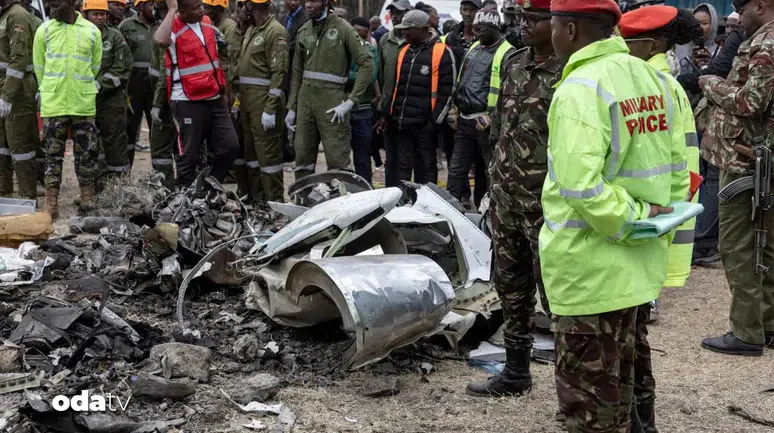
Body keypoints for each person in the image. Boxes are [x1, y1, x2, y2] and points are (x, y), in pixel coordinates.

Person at [543, 1, 688, 432]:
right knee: (622, 382)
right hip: (636, 266)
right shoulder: (653, 79)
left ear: (569, 30)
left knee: (591, 405)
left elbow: (582, 187)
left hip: (590, 269)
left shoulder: (580, 87)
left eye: (551, 25)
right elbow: (678, 169)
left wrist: (634, 219)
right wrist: (654, 222)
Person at [466, 0, 559, 398]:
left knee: (556, 292)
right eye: (522, 18)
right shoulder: (514, 62)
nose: (525, 26)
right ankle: (516, 370)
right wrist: (493, 179)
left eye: (535, 19)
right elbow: (501, 126)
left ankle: (573, 386)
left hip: (547, 203)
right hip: (507, 196)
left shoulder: (569, 70)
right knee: (511, 286)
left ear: (557, 24)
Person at [619, 6, 702, 431]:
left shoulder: (650, 84)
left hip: (639, 221)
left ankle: (637, 419)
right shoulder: (664, 82)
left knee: (626, 335)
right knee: (634, 333)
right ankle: (643, 419)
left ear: (649, 44)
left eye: (624, 40)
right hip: (655, 217)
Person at [699, 0, 774, 357]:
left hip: (747, 162)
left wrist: (710, 83)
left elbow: (751, 102)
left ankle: (746, 332)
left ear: (760, 5)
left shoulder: (766, 43)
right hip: (756, 159)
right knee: (765, 246)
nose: (738, 17)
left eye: (741, 9)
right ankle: (767, 324)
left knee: (739, 246)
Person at [283, 0, 373, 180]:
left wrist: (350, 101)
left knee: (338, 161)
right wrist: (292, 107)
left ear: (326, 3)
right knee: (302, 160)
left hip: (332, 102)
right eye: (306, 1)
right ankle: (304, 202)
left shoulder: (344, 29)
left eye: (314, 1)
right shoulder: (304, 30)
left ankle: (341, 205)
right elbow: (296, 72)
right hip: (305, 102)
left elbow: (367, 64)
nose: (308, 5)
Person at [154, 0, 239, 187]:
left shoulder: (207, 23)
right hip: (186, 100)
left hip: (214, 98)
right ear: (182, 12)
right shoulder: (173, 27)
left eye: (201, 5)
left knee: (230, 146)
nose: (202, 10)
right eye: (196, 8)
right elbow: (160, 40)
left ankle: (208, 189)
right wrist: (172, 10)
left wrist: (225, 93)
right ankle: (185, 197)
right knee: (189, 155)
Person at [33, 0, 102, 218]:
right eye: (49, 5)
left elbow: (95, 67)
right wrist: (51, 90)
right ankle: (51, 204)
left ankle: (87, 199)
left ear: (72, 3)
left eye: (56, 5)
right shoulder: (44, 31)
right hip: (54, 102)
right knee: (52, 155)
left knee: (86, 153)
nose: (52, 9)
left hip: (82, 102)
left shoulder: (91, 31)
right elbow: (39, 68)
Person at [447, 10, 514, 208]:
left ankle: (489, 211)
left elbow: (509, 92)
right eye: (474, 29)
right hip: (465, 120)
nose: (476, 33)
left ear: (494, 27)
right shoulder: (475, 47)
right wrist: (454, 109)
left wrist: (492, 117)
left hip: (487, 124)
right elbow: (461, 80)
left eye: (481, 29)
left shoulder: (507, 53)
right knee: (456, 169)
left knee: (491, 170)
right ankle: (449, 209)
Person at [380, 10, 454, 184]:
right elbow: (398, 86)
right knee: (403, 169)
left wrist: (434, 122)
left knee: (426, 169)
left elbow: (448, 91)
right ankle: (403, 205)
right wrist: (389, 113)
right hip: (403, 124)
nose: (403, 32)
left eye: (408, 29)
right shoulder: (404, 51)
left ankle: (425, 206)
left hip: (426, 127)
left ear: (422, 29)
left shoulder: (441, 52)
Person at [236, 0, 288, 202]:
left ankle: (274, 204)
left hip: (263, 103)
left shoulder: (276, 32)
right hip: (248, 103)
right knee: (252, 158)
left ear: (252, 6)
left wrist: (270, 107)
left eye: (244, 5)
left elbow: (279, 73)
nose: (241, 10)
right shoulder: (252, 30)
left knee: (268, 158)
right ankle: (259, 203)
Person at [83, 0, 133, 185]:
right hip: (85, 100)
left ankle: (119, 187)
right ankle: (94, 187)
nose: (99, 17)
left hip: (111, 101)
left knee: (115, 143)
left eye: (102, 14)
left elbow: (124, 67)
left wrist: (100, 84)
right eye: (95, 14)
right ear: (85, 14)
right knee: (90, 145)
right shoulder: (78, 36)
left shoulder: (115, 37)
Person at [0, 0, 38, 201]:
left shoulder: (17, 16)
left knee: (20, 146)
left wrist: (7, 96)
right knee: (2, 145)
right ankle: (4, 193)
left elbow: (18, 59)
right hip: (4, 86)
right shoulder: (4, 15)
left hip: (18, 89)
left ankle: (27, 197)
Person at [377, 0, 410, 188]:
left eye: (400, 13)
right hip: (389, 110)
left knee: (409, 158)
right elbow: (381, 76)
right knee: (391, 158)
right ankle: (390, 194)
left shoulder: (414, 40)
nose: (396, 16)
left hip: (410, 109)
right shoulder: (384, 40)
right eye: (393, 12)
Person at [120, 0, 155, 161]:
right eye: (151, 5)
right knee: (130, 127)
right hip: (134, 82)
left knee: (157, 126)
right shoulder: (126, 26)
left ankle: (160, 175)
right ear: (141, 6)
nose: (154, 9)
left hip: (156, 83)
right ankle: (125, 173)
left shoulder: (162, 25)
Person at [148, 0, 178, 189]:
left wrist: (157, 105)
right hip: (178, 98)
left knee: (160, 146)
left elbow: (163, 75)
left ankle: (165, 191)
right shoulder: (183, 28)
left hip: (167, 100)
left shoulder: (165, 31)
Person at [347, 16, 378, 184]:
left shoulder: (371, 51)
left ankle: (365, 189)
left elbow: (371, 77)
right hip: (342, 112)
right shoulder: (342, 50)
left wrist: (346, 76)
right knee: (341, 158)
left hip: (362, 112)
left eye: (364, 35)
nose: (359, 39)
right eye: (356, 35)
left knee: (362, 157)